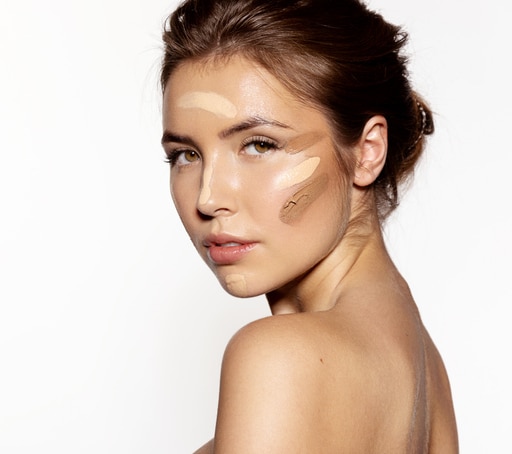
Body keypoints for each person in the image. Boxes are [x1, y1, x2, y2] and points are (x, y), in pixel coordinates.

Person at [159, 0, 458, 452]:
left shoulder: (278, 358)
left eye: (259, 145)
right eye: (186, 155)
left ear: (367, 151)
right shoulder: (424, 372)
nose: (209, 197)